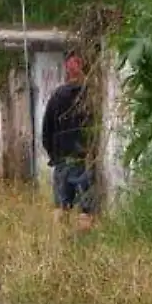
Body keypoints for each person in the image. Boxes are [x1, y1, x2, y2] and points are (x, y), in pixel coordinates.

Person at [40, 52, 97, 230]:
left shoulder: (57, 97)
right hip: (84, 159)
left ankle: (59, 248)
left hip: (62, 160)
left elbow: (46, 130)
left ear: (67, 71)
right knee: (85, 211)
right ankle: (83, 248)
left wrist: (54, 155)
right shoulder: (91, 96)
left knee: (61, 208)